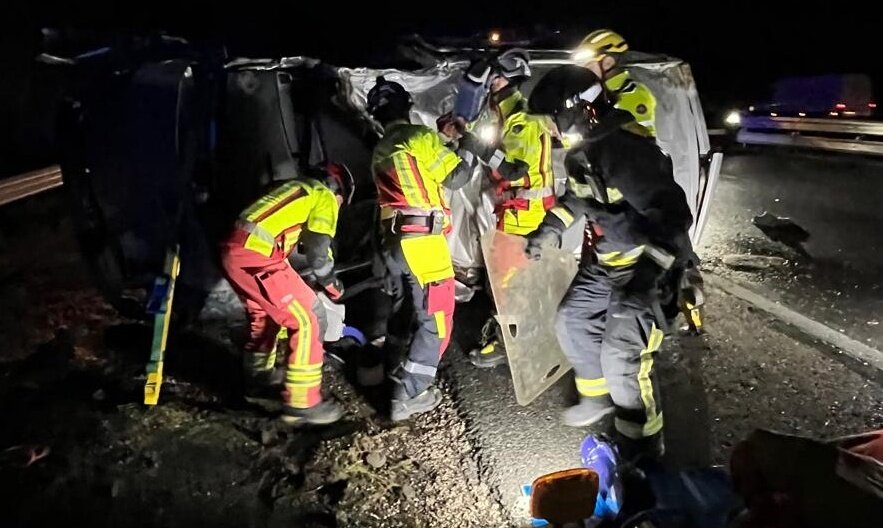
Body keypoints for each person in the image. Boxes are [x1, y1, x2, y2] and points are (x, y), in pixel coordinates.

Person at [527, 65, 696, 460]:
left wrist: (648, 279)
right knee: (572, 321)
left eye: (552, 118)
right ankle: (598, 397)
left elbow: (673, 218)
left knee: (622, 357)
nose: (549, 129)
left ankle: (643, 448)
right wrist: (549, 229)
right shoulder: (583, 153)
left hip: (648, 266)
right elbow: (578, 199)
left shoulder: (625, 150)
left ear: (576, 111)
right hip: (611, 260)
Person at [366, 76, 479, 421]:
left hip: (394, 243)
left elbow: (415, 171)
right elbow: (457, 177)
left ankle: (390, 367)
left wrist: (441, 139)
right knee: (438, 321)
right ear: (408, 106)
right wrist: (470, 144)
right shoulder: (418, 136)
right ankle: (409, 393)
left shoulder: (381, 149)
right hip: (424, 243)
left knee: (404, 311)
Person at [221, 162, 354, 426]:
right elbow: (318, 252)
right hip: (257, 255)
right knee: (309, 319)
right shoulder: (323, 195)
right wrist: (331, 283)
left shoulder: (291, 189)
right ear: (337, 189)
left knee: (264, 316)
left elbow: (304, 244)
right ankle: (302, 403)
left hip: (233, 251)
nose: (338, 208)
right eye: (341, 202)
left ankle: (258, 378)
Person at [450, 48, 558, 368]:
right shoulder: (507, 116)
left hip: (525, 215)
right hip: (517, 211)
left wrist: (478, 147)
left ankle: (509, 345)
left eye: (494, 79)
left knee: (510, 282)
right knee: (511, 280)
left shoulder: (522, 118)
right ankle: (517, 336)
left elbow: (514, 171)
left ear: (505, 79)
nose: (489, 85)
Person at [572, 29, 657, 137]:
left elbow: (638, 139)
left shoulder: (634, 94)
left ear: (608, 63)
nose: (584, 72)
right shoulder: (596, 94)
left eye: (589, 66)